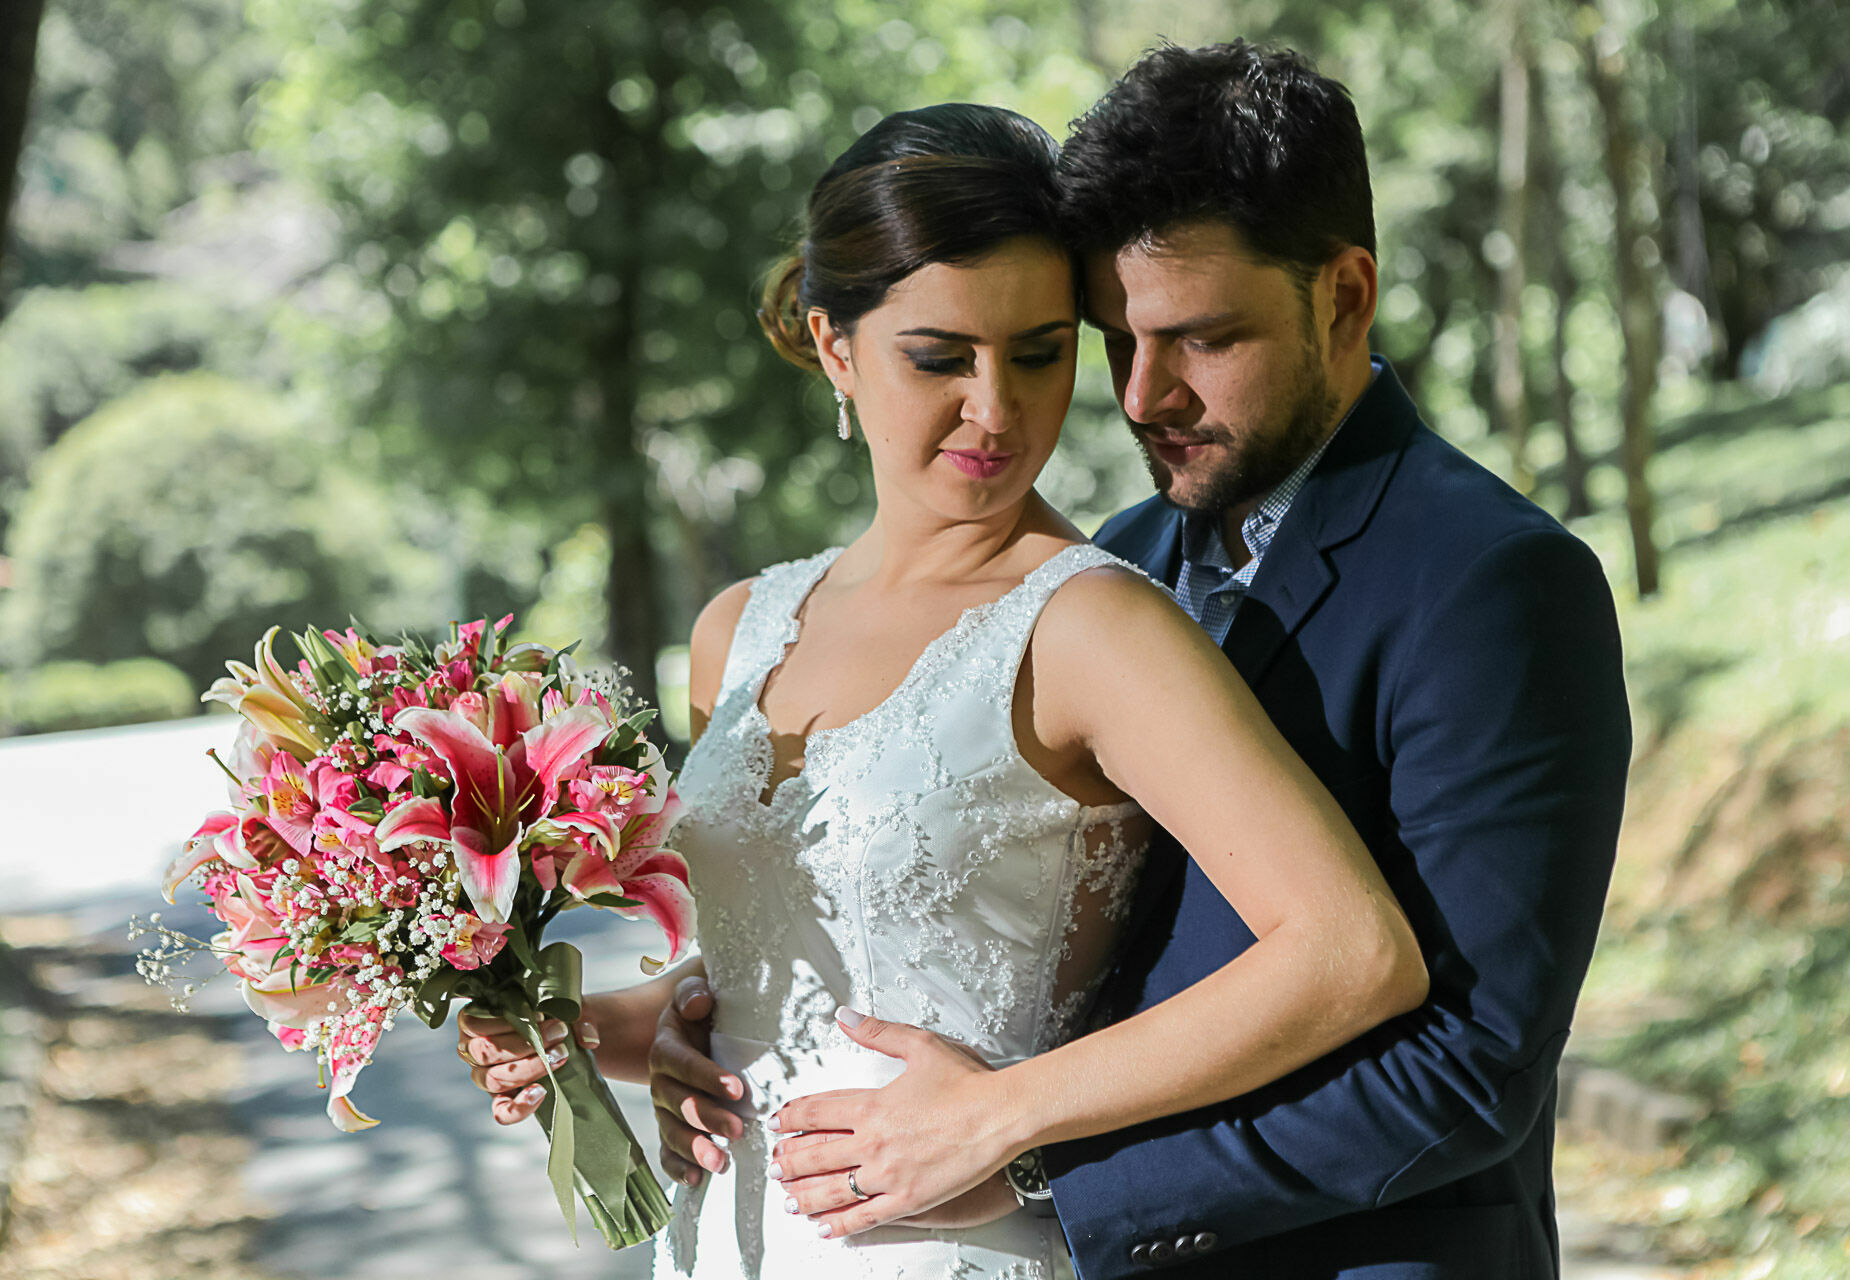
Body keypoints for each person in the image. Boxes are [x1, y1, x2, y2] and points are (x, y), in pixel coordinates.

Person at [650, 42, 1634, 1279]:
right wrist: (689, 1016)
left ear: (1344, 296)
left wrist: (1038, 1169)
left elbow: (1470, 1062)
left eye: (1201, 338)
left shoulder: (1494, 581)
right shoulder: (1120, 551)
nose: (1143, 395)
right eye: (1117, 341)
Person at [456, 100, 1428, 1280]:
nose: (996, 408)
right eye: (941, 357)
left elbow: (1353, 950)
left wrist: (1007, 1114)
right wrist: (594, 1025)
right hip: (724, 1244)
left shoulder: (1093, 626)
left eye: (1040, 353)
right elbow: (769, 964)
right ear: (835, 346)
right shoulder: (739, 630)